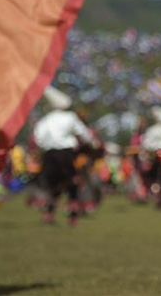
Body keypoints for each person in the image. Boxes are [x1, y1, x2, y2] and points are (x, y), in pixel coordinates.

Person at [33, 86, 96, 226]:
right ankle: (72, 216)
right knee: (72, 184)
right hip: (66, 154)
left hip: (49, 155)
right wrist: (90, 144)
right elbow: (84, 134)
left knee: (53, 186)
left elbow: (38, 138)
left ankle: (49, 214)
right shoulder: (70, 117)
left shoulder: (45, 120)